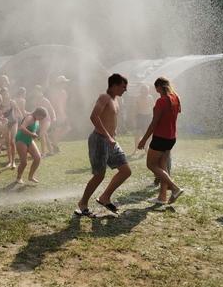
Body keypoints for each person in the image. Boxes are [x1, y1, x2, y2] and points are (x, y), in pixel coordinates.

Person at [75, 74, 131, 216]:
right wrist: (107, 136)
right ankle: (82, 203)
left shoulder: (116, 100)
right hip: (99, 139)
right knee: (99, 175)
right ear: (114, 85)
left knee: (125, 171)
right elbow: (94, 116)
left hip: (111, 141)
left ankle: (104, 197)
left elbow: (110, 118)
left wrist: (114, 133)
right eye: (123, 87)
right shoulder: (104, 97)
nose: (125, 90)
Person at [137, 77, 184, 205]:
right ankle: (162, 197)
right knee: (163, 166)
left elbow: (154, 122)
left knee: (151, 165)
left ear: (158, 87)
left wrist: (144, 140)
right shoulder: (176, 98)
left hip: (160, 138)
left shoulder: (161, 101)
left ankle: (174, 188)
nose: (155, 90)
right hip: (171, 137)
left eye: (155, 88)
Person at [15, 107, 47, 184]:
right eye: (41, 117)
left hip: (29, 140)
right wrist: (32, 134)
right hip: (21, 139)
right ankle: (18, 178)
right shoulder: (30, 118)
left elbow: (33, 130)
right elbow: (22, 127)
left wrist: (35, 135)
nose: (41, 119)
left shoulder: (36, 120)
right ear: (37, 114)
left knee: (37, 158)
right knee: (24, 162)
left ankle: (31, 177)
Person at [30, 85, 57, 157]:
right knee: (45, 135)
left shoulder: (45, 100)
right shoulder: (35, 101)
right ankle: (51, 151)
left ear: (40, 92)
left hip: (47, 120)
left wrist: (54, 117)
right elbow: (35, 111)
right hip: (40, 121)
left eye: (37, 91)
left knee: (42, 134)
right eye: (34, 92)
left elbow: (51, 109)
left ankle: (43, 153)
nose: (35, 93)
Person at [48, 76, 71, 152]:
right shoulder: (59, 92)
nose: (65, 84)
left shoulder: (61, 92)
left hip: (59, 114)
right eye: (64, 82)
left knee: (63, 129)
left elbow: (62, 104)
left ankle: (54, 143)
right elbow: (57, 104)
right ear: (61, 83)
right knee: (62, 129)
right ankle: (54, 145)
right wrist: (61, 114)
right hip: (59, 114)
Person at [132, 84, 154, 149]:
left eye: (147, 90)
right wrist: (134, 119)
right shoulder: (138, 98)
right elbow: (135, 109)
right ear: (141, 91)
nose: (146, 92)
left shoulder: (150, 97)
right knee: (138, 133)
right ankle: (136, 148)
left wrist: (153, 117)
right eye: (144, 90)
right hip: (140, 116)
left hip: (148, 116)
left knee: (148, 133)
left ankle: (146, 147)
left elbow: (153, 107)